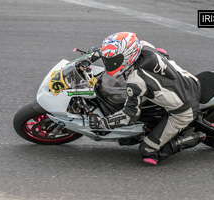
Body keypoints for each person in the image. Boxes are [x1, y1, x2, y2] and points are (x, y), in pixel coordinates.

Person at [88, 32, 206, 165]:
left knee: (147, 149)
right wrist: (98, 54)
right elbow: (162, 53)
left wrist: (102, 124)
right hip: (190, 80)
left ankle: (184, 141)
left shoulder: (136, 81)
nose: (109, 64)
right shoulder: (143, 46)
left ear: (127, 57)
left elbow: (129, 116)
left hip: (185, 109)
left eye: (112, 61)